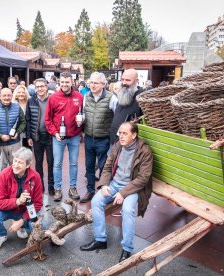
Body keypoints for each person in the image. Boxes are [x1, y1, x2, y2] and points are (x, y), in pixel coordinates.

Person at [80, 122, 153, 263]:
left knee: (127, 209)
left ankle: (127, 248)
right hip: (114, 183)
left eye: (125, 133)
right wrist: (104, 184)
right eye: (120, 132)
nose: (121, 136)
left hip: (132, 187)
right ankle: (100, 239)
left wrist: (123, 193)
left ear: (134, 135)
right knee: (95, 201)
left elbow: (143, 178)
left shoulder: (144, 151)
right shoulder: (117, 146)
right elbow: (107, 166)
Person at [0, 147, 43, 252]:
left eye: (20, 162)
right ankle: (1, 235)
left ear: (28, 165)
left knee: (40, 227)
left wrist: (22, 221)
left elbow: (38, 204)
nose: (15, 165)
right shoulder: (3, 175)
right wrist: (17, 201)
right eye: (15, 161)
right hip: (6, 208)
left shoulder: (35, 177)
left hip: (24, 211)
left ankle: (21, 226)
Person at [45, 72, 83, 202]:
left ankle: (72, 187)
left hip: (74, 136)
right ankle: (58, 188)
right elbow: (47, 119)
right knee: (57, 164)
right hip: (58, 137)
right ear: (59, 83)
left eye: (67, 82)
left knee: (73, 163)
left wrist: (81, 123)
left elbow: (82, 115)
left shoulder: (79, 96)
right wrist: (55, 133)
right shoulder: (53, 98)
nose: (65, 84)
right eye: (62, 82)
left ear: (72, 82)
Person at [80, 72, 114, 203]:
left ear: (103, 84)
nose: (92, 85)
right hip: (89, 137)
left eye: (96, 83)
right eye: (91, 82)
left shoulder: (111, 98)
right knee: (89, 166)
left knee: (104, 167)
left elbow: (117, 117)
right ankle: (90, 190)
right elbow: (83, 113)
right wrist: (81, 120)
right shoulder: (86, 96)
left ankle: (103, 192)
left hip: (103, 138)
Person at [26, 78, 54, 195]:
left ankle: (51, 187)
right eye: (37, 87)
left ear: (46, 87)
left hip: (50, 136)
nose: (40, 89)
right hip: (36, 136)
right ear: (35, 88)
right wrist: (29, 137)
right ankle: (40, 186)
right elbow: (28, 119)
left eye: (42, 86)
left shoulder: (52, 99)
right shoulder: (31, 101)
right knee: (38, 163)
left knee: (51, 162)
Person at [0, 88, 26, 168]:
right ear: (0, 97)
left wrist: (18, 132)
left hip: (15, 143)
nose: (6, 97)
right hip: (0, 144)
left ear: (12, 96)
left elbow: (23, 122)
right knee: (2, 168)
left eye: (9, 95)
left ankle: (16, 181)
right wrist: (0, 135)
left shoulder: (17, 107)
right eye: (4, 95)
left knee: (17, 167)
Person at [110, 69, 144, 145]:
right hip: (114, 142)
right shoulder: (122, 93)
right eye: (122, 79)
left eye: (128, 80)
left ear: (136, 81)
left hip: (129, 144)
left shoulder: (142, 98)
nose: (124, 83)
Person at [13, 85, 31, 149]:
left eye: (23, 92)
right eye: (19, 92)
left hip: (28, 132)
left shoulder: (29, 103)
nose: (21, 94)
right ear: (16, 94)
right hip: (17, 133)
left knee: (27, 152)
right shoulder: (13, 104)